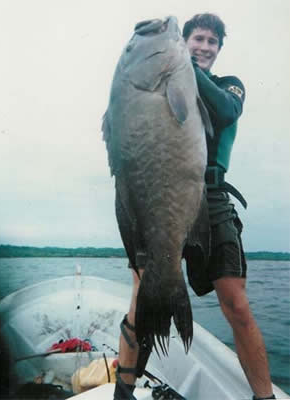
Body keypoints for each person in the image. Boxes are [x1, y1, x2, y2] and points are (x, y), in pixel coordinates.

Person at [114, 13, 276, 400]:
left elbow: (225, 111)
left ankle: (264, 396)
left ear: (218, 50)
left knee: (235, 303)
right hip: (156, 198)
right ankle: (123, 391)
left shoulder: (229, 86)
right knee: (143, 296)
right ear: (182, 42)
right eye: (197, 39)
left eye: (211, 42)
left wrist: (180, 63)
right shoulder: (156, 82)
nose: (204, 47)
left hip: (211, 198)